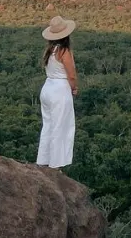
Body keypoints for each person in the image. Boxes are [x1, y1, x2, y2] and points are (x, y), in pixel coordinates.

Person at [36, 15, 78, 169]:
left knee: (48, 125)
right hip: (60, 91)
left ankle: (43, 160)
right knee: (61, 127)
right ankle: (56, 165)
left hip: (47, 89)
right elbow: (71, 75)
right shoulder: (64, 52)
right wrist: (74, 88)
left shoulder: (50, 50)